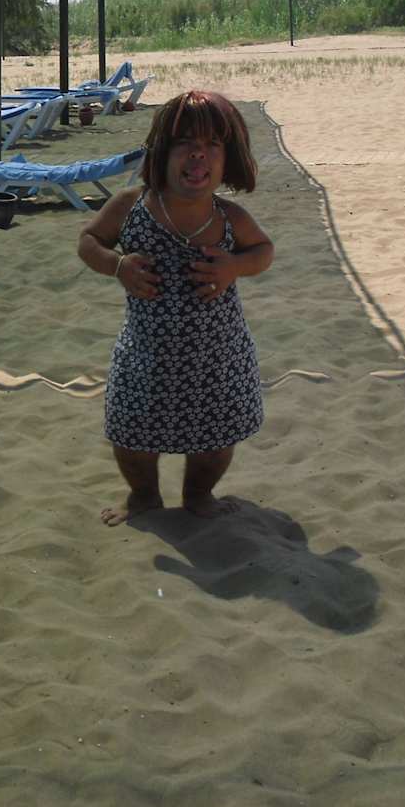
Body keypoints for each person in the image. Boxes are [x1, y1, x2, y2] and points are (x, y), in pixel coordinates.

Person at [77, 90, 274, 525]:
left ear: (228, 159)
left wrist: (234, 266)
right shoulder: (130, 207)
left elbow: (264, 251)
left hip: (218, 357)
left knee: (216, 438)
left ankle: (199, 495)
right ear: (161, 152)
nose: (198, 154)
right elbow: (89, 241)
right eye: (184, 142)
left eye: (212, 144)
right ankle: (144, 496)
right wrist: (117, 265)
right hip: (145, 354)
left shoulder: (229, 217)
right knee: (131, 433)